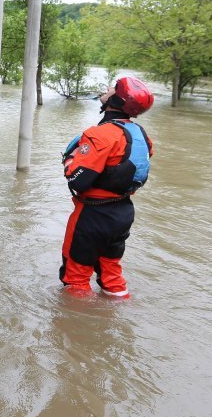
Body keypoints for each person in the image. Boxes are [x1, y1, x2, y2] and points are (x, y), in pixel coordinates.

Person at [60, 76, 155, 298]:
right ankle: (118, 316)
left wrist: (69, 162)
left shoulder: (99, 134)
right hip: (123, 213)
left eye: (113, 88)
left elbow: (77, 181)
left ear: (117, 100)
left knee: (75, 278)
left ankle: (78, 328)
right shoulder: (141, 134)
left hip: (93, 215)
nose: (108, 88)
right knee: (111, 272)